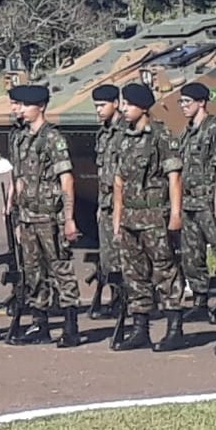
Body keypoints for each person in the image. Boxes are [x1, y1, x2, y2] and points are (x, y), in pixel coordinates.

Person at [6, 84, 83, 347]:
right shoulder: (21, 138)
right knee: (33, 272)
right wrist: (15, 213)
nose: (20, 110)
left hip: (50, 216)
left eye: (25, 105)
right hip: (28, 217)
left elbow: (66, 179)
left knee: (60, 269)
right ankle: (40, 324)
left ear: (40, 106)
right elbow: (19, 178)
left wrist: (69, 218)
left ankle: (71, 325)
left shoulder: (53, 138)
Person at [109, 83, 183, 351]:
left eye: (128, 104)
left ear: (143, 106)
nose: (124, 108)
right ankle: (140, 327)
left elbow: (174, 178)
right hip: (130, 216)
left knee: (164, 270)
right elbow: (118, 181)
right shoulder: (123, 137)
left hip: (154, 216)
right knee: (133, 273)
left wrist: (175, 214)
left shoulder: (161, 136)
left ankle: (174, 326)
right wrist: (117, 219)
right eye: (123, 104)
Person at [176, 83, 216, 322]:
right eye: (182, 102)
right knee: (191, 254)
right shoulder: (186, 133)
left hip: (208, 201)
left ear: (202, 102)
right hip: (189, 202)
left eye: (188, 102)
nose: (184, 107)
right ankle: (199, 299)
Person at [90, 84, 126, 320]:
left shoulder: (126, 131)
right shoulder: (102, 133)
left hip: (123, 202)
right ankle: (116, 298)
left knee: (126, 255)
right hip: (105, 202)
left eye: (103, 105)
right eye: (96, 106)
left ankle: (129, 300)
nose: (99, 110)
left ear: (116, 103)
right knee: (108, 256)